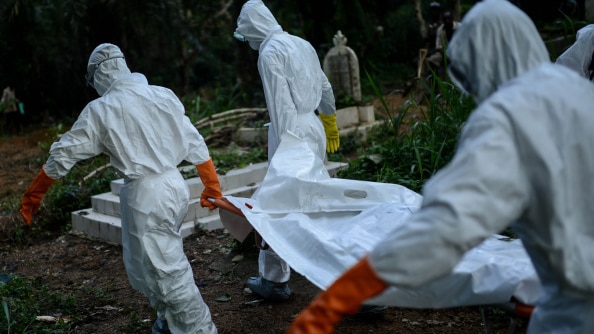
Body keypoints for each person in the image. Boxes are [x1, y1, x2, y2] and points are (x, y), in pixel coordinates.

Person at [288, 0, 594, 333]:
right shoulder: (576, 89)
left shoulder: (508, 116)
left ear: (480, 63)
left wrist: (346, 291)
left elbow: (447, 225)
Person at [19, 43, 222, 334]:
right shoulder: (163, 95)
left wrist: (34, 194)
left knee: (167, 269)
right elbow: (194, 141)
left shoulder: (102, 109)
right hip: (173, 186)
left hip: (147, 195)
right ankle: (170, 320)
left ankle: (200, 330)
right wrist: (211, 184)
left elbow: (65, 153)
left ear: (98, 75)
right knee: (151, 261)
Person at [233, 0, 340, 302]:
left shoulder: (269, 53)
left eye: (248, 36)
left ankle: (281, 281)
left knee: (280, 204)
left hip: (291, 134)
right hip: (314, 127)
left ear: (253, 28)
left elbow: (281, 108)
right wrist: (330, 121)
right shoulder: (302, 43)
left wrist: (286, 150)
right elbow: (325, 86)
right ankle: (275, 277)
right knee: (310, 201)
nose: (250, 43)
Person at [426, 10, 460, 77]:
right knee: (431, 60)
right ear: (443, 20)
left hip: (459, 52)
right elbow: (438, 46)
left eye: (449, 19)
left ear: (452, 19)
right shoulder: (440, 30)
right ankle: (435, 83)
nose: (447, 21)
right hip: (444, 53)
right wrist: (446, 54)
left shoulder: (459, 27)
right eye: (445, 19)